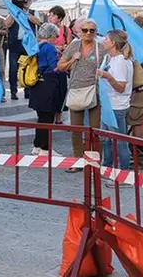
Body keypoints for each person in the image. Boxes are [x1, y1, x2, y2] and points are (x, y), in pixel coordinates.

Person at [57, 18, 106, 173]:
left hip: (95, 92)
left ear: (96, 32)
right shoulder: (73, 46)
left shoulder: (101, 48)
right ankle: (78, 160)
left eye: (92, 30)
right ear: (79, 32)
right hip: (77, 90)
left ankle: (95, 161)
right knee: (76, 130)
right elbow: (59, 66)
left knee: (95, 130)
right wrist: (73, 60)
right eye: (85, 30)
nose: (88, 33)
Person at [98, 29, 134, 185]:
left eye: (106, 39)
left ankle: (124, 175)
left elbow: (120, 87)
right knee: (106, 140)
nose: (103, 41)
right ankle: (107, 169)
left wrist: (108, 76)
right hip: (108, 104)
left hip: (117, 106)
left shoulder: (120, 61)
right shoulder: (110, 58)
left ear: (113, 42)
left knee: (120, 141)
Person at [28, 24, 67, 156]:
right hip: (49, 85)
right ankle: (45, 148)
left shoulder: (37, 47)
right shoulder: (49, 48)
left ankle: (37, 145)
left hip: (37, 84)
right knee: (47, 119)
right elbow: (54, 67)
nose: (56, 38)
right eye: (56, 36)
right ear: (50, 35)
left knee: (41, 118)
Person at [6, 0, 41, 100]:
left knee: (28, 67)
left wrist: (25, 13)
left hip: (28, 44)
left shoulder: (33, 12)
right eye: (24, 0)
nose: (26, 2)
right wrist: (14, 11)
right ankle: (13, 91)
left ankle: (28, 90)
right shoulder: (14, 11)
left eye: (28, 0)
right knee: (13, 68)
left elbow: (38, 22)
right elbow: (7, 24)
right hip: (15, 43)